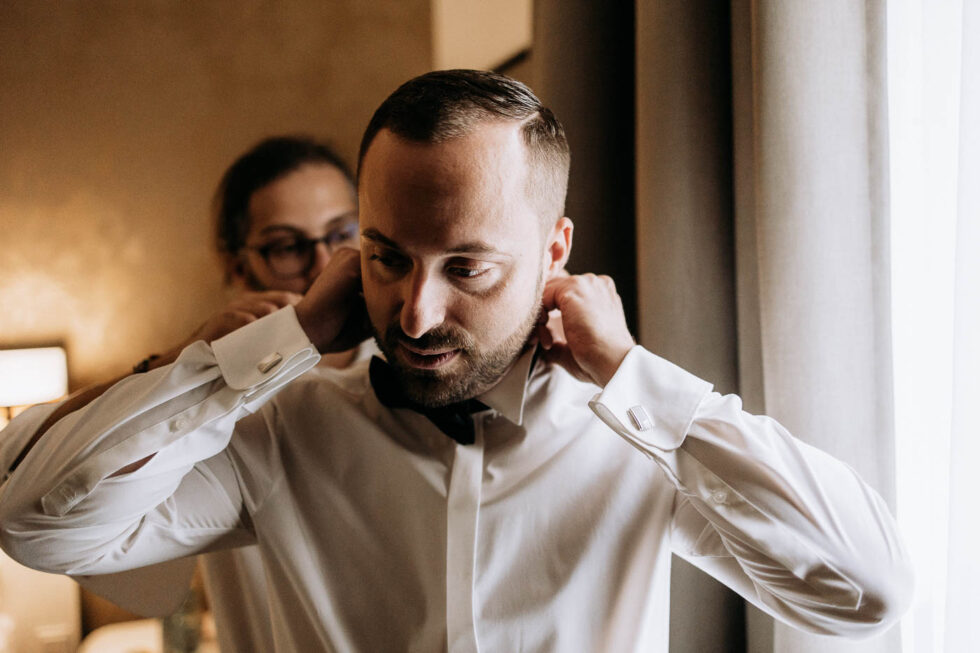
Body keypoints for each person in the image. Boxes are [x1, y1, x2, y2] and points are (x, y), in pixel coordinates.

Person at [0, 70, 912, 652]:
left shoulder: (639, 443)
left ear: (556, 252)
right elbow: (35, 523)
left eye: (467, 266)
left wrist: (640, 379)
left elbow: (866, 592)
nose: (417, 310)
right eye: (387, 256)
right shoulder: (275, 432)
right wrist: (264, 351)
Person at [0, 136, 369, 652]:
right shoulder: (208, 403)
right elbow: (19, 478)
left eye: (342, 233)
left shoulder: (411, 377)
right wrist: (187, 355)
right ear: (237, 264)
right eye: (287, 246)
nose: (325, 264)